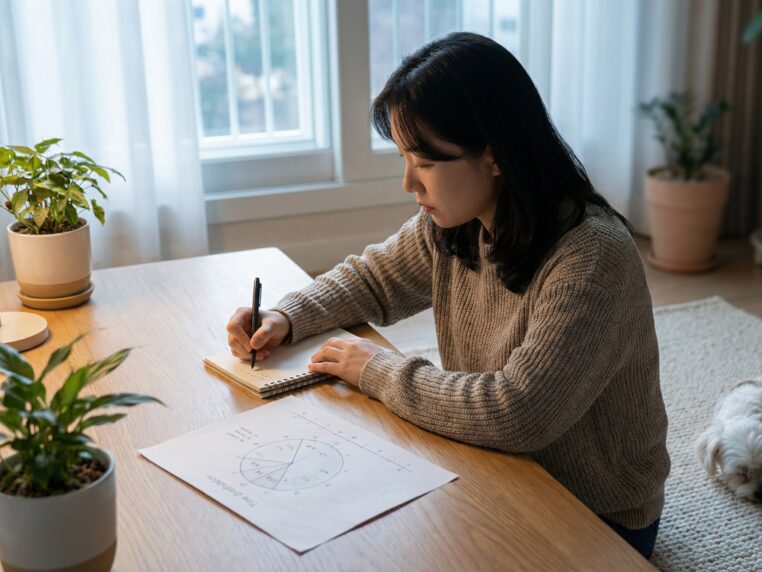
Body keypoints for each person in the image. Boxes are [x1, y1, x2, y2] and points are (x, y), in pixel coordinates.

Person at [225, 32, 669, 558]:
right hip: (494, 467)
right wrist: (285, 315)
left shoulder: (593, 258)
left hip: (596, 514)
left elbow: (518, 413)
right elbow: (372, 279)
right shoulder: (456, 224)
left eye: (426, 162)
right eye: (403, 157)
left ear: (495, 155)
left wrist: (377, 369)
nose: (409, 183)